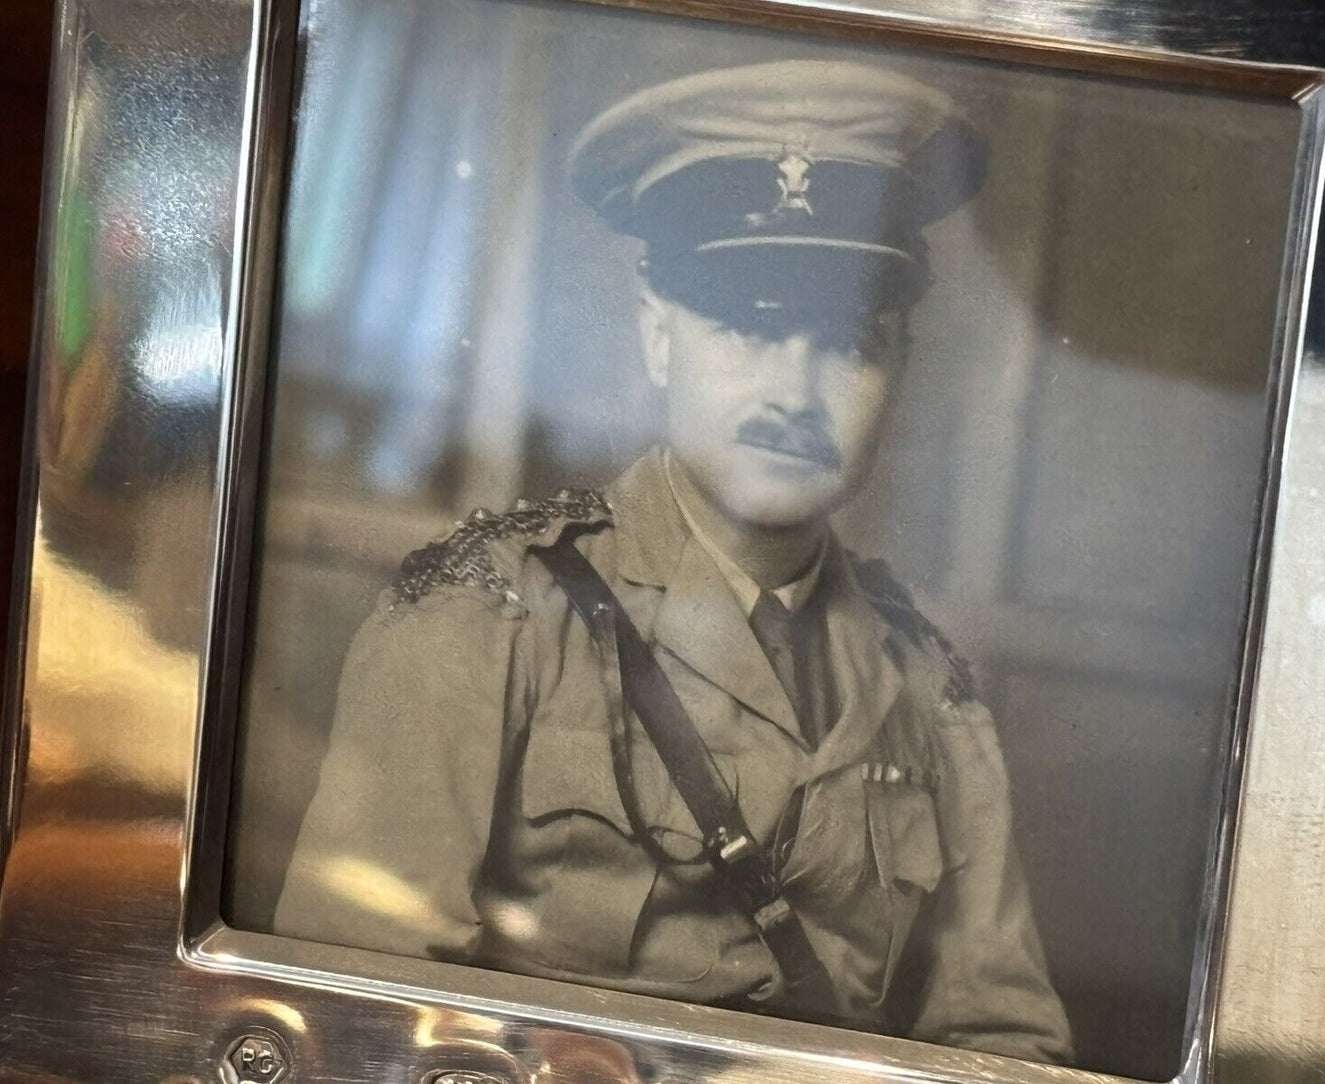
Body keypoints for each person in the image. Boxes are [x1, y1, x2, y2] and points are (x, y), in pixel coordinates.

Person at [275, 59, 1072, 1065]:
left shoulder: (927, 686)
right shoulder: (487, 618)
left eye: (849, 341)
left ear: (900, 366)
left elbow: (1007, 1046)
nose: (796, 386)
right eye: (749, 324)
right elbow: (346, 1031)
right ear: (658, 333)